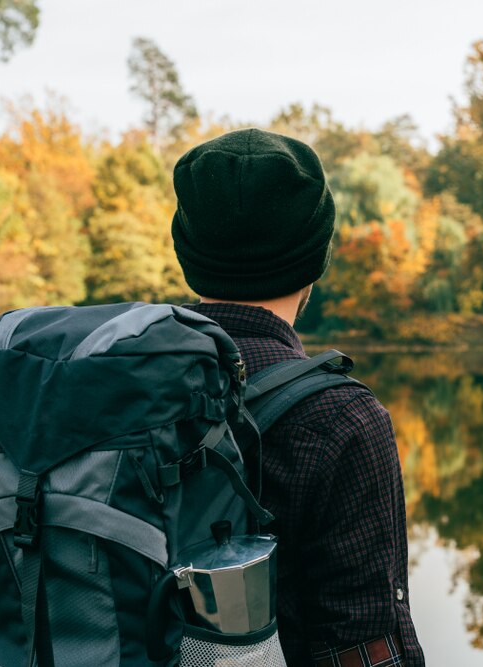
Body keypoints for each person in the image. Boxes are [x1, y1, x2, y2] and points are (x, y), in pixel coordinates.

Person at [171, 128, 425, 666]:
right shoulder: (340, 418)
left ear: (188, 253)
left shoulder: (120, 388)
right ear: (317, 258)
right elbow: (366, 639)